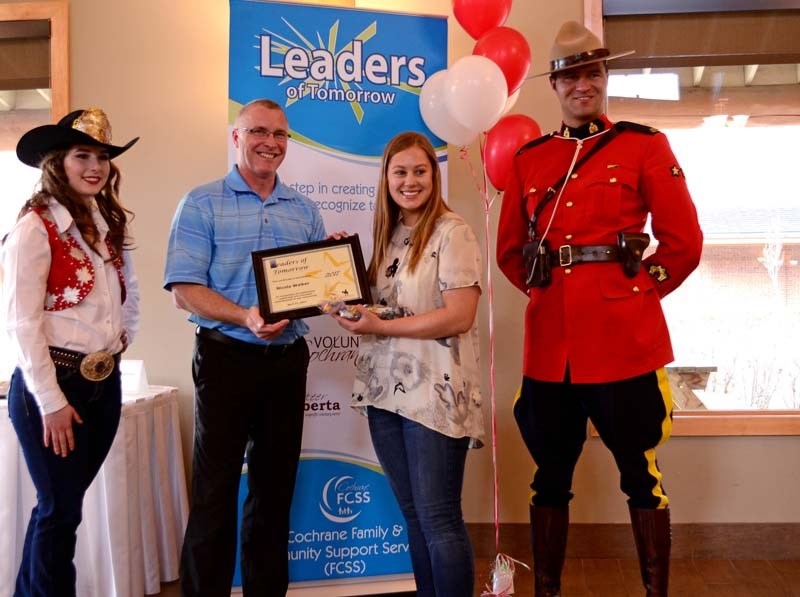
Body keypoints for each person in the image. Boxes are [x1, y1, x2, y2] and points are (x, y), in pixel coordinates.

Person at [496, 21, 703, 597]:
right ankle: (548, 591)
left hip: (623, 342)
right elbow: (511, 252)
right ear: (555, 86)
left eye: (592, 73)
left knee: (641, 478)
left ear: (604, 78)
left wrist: (635, 296)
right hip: (550, 349)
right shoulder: (530, 159)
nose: (582, 85)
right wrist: (546, 293)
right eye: (570, 76)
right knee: (549, 479)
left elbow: (684, 241)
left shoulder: (644, 145)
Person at [163, 98, 330, 597]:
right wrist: (245, 316)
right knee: (213, 494)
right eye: (259, 132)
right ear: (236, 137)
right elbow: (183, 289)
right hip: (224, 359)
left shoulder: (305, 211)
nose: (270, 143)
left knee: (274, 492)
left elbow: (319, 296)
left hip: (286, 362)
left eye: (280, 135)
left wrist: (336, 278)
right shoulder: (201, 203)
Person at [329, 131, 484, 597]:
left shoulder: (452, 232)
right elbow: (378, 309)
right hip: (385, 393)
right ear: (386, 178)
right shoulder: (390, 234)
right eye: (400, 172)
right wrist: (339, 269)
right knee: (414, 514)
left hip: (435, 396)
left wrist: (378, 327)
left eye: (420, 171)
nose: (410, 181)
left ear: (433, 176)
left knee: (439, 518)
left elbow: (460, 315)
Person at [2, 107, 140, 597]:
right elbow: (22, 323)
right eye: (83, 155)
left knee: (61, 508)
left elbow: (126, 292)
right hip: (54, 385)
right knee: (60, 511)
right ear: (57, 161)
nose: (94, 167)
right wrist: (52, 402)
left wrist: (119, 342)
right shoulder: (35, 228)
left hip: (102, 381)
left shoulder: (103, 221)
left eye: (102, 157)